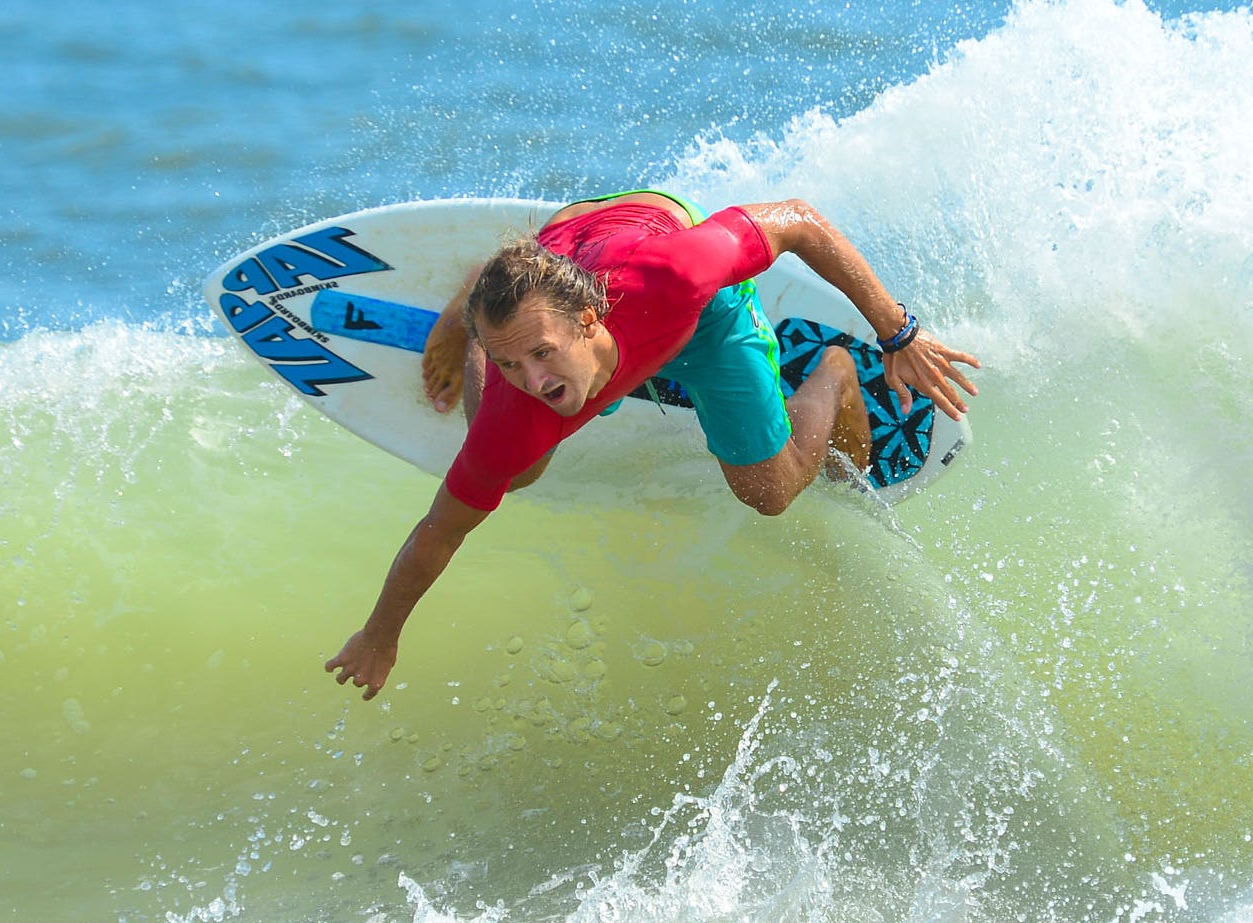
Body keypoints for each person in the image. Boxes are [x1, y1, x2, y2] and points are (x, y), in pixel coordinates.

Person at [325, 190, 979, 700]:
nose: (534, 382)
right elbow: (439, 530)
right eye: (510, 363)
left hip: (673, 278)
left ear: (588, 322)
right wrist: (380, 635)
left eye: (543, 354)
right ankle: (476, 308)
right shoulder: (522, 396)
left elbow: (799, 223)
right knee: (513, 467)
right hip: (561, 244)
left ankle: (833, 372)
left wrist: (897, 333)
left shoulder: (674, 275)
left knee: (770, 492)